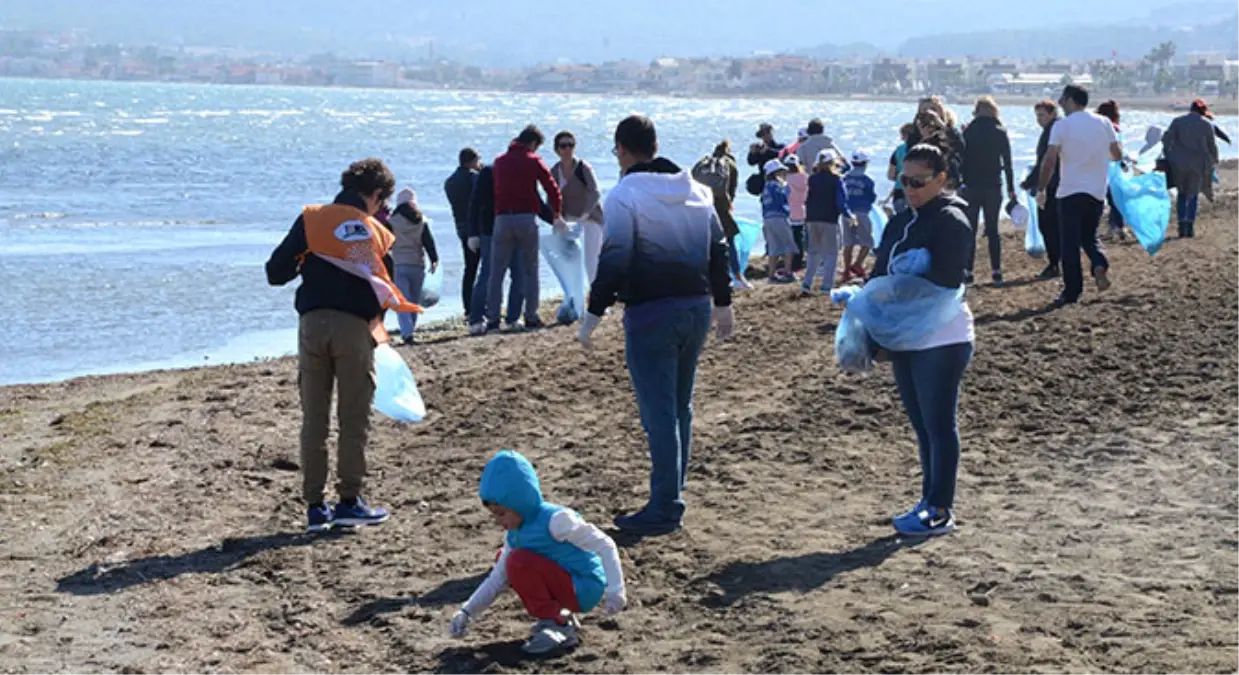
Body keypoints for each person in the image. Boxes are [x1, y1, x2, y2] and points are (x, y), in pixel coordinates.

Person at [577, 115, 735, 535]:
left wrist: (592, 317)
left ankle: (666, 503)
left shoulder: (625, 196)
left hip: (651, 315)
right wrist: (724, 305)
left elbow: (613, 262)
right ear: (656, 144)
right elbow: (718, 251)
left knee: (659, 413)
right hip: (696, 309)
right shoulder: (697, 192)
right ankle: (672, 493)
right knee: (680, 407)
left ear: (623, 151)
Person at [265, 158, 406, 533]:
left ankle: (314, 506)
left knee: (314, 417)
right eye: (382, 201)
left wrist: (310, 261)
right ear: (375, 195)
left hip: (311, 323)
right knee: (353, 416)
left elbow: (275, 272)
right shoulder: (376, 230)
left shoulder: (312, 219)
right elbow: (386, 286)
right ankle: (348, 501)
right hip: (353, 326)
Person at [870, 144, 975, 537]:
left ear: (941, 180)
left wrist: (910, 275)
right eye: (904, 180)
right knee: (921, 424)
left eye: (918, 182)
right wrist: (871, 323)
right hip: (905, 336)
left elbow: (950, 279)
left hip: (942, 336)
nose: (910, 189)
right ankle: (928, 498)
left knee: (938, 423)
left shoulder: (951, 219)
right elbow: (879, 273)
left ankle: (940, 507)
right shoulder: (901, 220)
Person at [449, 450, 627, 655]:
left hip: (584, 586)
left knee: (517, 561)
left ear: (519, 503)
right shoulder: (514, 535)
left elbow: (605, 545)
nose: (498, 521)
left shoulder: (556, 520)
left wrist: (615, 591)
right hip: (565, 584)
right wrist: (467, 611)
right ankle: (561, 617)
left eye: (501, 513)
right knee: (506, 560)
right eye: (494, 515)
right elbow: (497, 578)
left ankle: (557, 625)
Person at [1037, 85, 1123, 306]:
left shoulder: (1062, 126)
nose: (1060, 104)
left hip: (1070, 191)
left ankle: (1072, 291)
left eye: (1062, 100)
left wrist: (1042, 188)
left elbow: (1049, 160)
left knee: (1069, 243)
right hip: (1096, 190)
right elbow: (1116, 154)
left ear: (1070, 100)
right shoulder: (1103, 122)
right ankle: (1099, 262)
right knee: (1089, 236)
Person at [488, 125, 566, 331]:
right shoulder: (533, 161)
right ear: (533, 144)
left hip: (502, 218)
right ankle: (530, 315)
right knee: (531, 269)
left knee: (497, 272)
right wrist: (556, 214)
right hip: (526, 218)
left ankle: (493, 319)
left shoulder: (499, 162)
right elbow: (552, 189)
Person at [961, 96, 1017, 286]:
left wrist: (960, 181)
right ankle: (996, 271)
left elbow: (961, 160)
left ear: (976, 111)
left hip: (970, 186)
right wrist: (1011, 188)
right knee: (993, 230)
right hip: (993, 186)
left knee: (970, 229)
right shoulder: (1000, 131)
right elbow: (1007, 163)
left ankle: (968, 271)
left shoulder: (968, 131)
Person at [466, 161, 527, 335]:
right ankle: (477, 319)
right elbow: (475, 203)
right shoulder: (489, 172)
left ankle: (512, 318)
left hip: (514, 230)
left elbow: (532, 200)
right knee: (489, 275)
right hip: (491, 231)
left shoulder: (523, 170)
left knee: (517, 274)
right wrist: (473, 233)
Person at [693, 140, 750, 289]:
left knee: (707, 243)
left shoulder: (705, 164)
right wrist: (728, 205)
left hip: (702, 205)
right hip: (720, 205)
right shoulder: (729, 164)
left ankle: (706, 277)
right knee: (729, 240)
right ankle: (738, 276)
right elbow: (731, 190)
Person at [550, 130, 606, 282]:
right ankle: (573, 296)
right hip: (569, 219)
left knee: (591, 260)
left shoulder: (583, 167)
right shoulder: (555, 171)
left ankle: (597, 299)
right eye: (563, 146)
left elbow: (595, 193)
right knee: (565, 258)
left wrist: (584, 215)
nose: (568, 149)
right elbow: (552, 198)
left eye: (571, 145)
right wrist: (556, 218)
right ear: (557, 150)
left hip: (590, 218)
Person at [1161, 98, 1220, 238]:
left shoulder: (1177, 121)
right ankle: (1189, 226)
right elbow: (1212, 145)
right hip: (1198, 164)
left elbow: (1166, 139)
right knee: (1193, 194)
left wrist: (1169, 155)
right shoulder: (1206, 124)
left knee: (1181, 193)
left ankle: (1181, 225)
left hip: (1178, 163)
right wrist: (1214, 161)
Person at [389, 188, 439, 344]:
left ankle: (407, 333)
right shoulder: (421, 221)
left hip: (398, 264)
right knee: (414, 301)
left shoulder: (391, 222)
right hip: (417, 265)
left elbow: (386, 244)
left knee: (402, 300)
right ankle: (410, 332)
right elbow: (428, 242)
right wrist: (434, 260)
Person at [1021, 100, 1063, 279]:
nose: (1039, 119)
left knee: (1047, 225)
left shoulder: (1052, 131)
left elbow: (1045, 162)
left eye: (1042, 115)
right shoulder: (1056, 129)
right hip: (1058, 183)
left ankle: (1055, 264)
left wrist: (1031, 182)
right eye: (1037, 116)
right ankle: (1057, 262)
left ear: (1053, 113)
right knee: (1053, 225)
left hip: (1051, 184)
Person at [803, 149, 851, 294]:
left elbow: (807, 199)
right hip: (829, 219)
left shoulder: (811, 179)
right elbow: (841, 201)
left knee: (813, 252)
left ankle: (807, 282)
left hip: (812, 218)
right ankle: (826, 285)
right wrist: (848, 215)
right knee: (831, 253)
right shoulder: (836, 180)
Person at [445, 148, 482, 318]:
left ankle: (467, 307)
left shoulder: (450, 181)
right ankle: (481, 305)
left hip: (460, 226)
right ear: (472, 161)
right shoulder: (474, 178)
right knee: (485, 268)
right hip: (477, 227)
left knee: (470, 268)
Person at [842, 149, 878, 283]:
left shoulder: (844, 177)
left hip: (847, 213)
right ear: (865, 163)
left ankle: (846, 270)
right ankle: (857, 264)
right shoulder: (868, 179)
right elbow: (872, 197)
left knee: (848, 243)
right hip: (861, 212)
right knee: (868, 242)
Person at [760, 158, 798, 283]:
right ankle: (788, 272)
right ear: (776, 173)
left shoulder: (765, 187)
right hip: (779, 218)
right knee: (788, 245)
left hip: (767, 219)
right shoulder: (778, 186)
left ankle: (771, 275)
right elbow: (782, 202)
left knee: (773, 247)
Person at [1095, 100, 1127, 242]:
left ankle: (1114, 228)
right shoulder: (1115, 128)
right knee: (1115, 200)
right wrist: (1122, 163)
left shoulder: (1097, 128)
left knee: (1108, 200)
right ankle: (1117, 228)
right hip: (1113, 169)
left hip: (1100, 168)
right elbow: (1117, 149)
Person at [784, 154, 809, 271]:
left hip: (788, 212)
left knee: (790, 239)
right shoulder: (805, 178)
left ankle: (790, 262)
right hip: (801, 211)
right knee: (799, 238)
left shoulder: (785, 179)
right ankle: (799, 260)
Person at [887, 123, 917, 213]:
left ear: (905, 135)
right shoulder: (921, 150)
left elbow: (890, 175)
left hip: (899, 191)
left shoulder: (898, 150)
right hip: (917, 191)